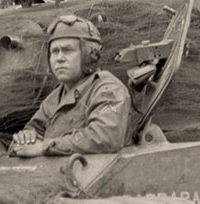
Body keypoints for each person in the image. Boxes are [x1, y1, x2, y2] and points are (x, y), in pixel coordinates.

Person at [11, 15, 132, 157]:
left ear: (89, 55)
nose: (59, 58)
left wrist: (44, 146)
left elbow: (105, 137)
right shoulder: (55, 97)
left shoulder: (108, 90)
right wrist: (26, 138)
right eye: (54, 51)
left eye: (67, 50)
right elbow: (33, 130)